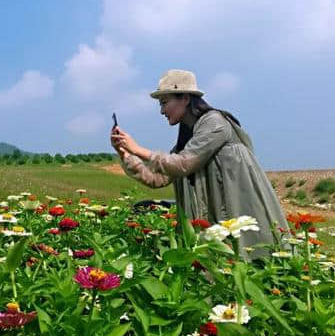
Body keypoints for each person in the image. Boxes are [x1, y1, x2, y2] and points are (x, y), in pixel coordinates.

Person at [110, 69, 290, 261]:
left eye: (164, 102)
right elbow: (157, 178)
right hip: (216, 216)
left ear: (185, 98)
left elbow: (183, 164)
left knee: (251, 257)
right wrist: (124, 153)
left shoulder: (215, 123)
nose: (162, 111)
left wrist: (137, 149)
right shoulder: (190, 138)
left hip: (236, 208)